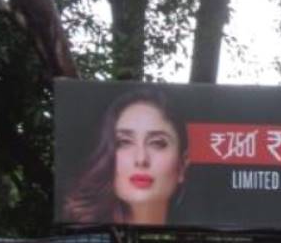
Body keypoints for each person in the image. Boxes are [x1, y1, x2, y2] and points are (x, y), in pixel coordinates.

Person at [62, 87, 190, 226]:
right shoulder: (82, 238)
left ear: (182, 165)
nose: (141, 159)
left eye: (158, 143)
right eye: (124, 142)